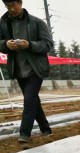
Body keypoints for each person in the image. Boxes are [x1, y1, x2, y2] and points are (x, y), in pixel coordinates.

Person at [0, 0, 54, 143]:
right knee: (33, 100)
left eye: (13, 5)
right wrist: (6, 44)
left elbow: (48, 44)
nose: (11, 9)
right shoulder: (4, 23)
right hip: (18, 69)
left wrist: (29, 45)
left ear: (20, 2)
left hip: (35, 69)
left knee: (29, 100)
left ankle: (24, 133)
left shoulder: (37, 22)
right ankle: (46, 128)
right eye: (7, 6)